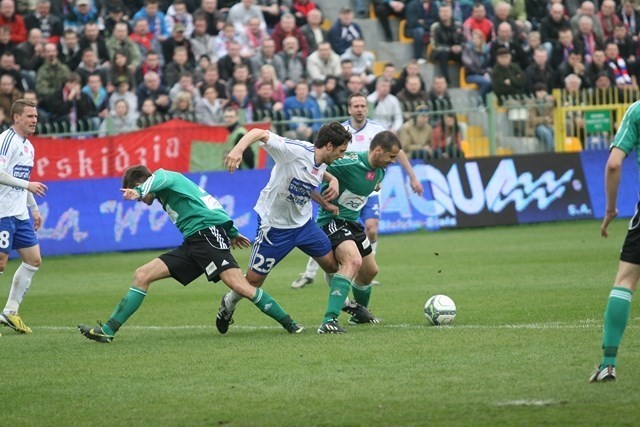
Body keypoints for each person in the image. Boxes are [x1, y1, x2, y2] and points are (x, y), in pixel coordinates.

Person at [78, 165, 305, 343]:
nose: (141, 202)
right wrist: (233, 232)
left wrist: (137, 191)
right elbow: (211, 205)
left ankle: (290, 324)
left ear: (142, 182)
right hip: (194, 242)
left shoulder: (164, 176)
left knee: (241, 286)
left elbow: (156, 181)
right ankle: (108, 330)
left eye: (140, 196)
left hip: (205, 236)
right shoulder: (170, 189)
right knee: (142, 275)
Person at [215, 122, 376, 334]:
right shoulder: (294, 150)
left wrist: (326, 196)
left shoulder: (323, 160)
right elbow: (259, 133)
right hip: (275, 228)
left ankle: (342, 304)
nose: (341, 155)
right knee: (253, 282)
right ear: (329, 146)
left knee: (331, 265)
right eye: (340, 151)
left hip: (304, 226)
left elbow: (305, 184)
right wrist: (238, 150)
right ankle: (228, 303)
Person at [291, 92, 424, 288]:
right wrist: (333, 179)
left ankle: (366, 270)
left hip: (368, 191)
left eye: (363, 106)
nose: (359, 109)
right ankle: (310, 273)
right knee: (329, 233)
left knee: (371, 229)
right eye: (356, 106)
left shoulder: (378, 129)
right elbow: (322, 160)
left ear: (367, 108)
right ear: (349, 109)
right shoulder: (341, 131)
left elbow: (396, 151)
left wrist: (412, 176)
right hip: (344, 188)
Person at [314, 130, 403, 333]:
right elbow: (316, 164)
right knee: (353, 261)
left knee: (370, 271)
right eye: (391, 156)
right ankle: (329, 321)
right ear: (378, 150)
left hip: (352, 223)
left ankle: (359, 315)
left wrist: (375, 184)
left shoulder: (380, 169)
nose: (394, 161)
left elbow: (370, 181)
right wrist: (331, 182)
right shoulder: (348, 162)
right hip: (332, 220)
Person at [590, 99, 640, 382]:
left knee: (626, 280)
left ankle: (608, 363)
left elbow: (613, 165)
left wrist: (610, 209)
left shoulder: (636, 111)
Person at [0, 99, 47, 336]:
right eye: (29, 116)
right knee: (0, 263)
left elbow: (23, 180)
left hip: (19, 213)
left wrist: (34, 209)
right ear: (16, 117)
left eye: (36, 117)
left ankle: (10, 311)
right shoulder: (6, 140)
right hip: (1, 212)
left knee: (33, 259)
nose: (34, 121)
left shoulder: (29, 146)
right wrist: (28, 185)